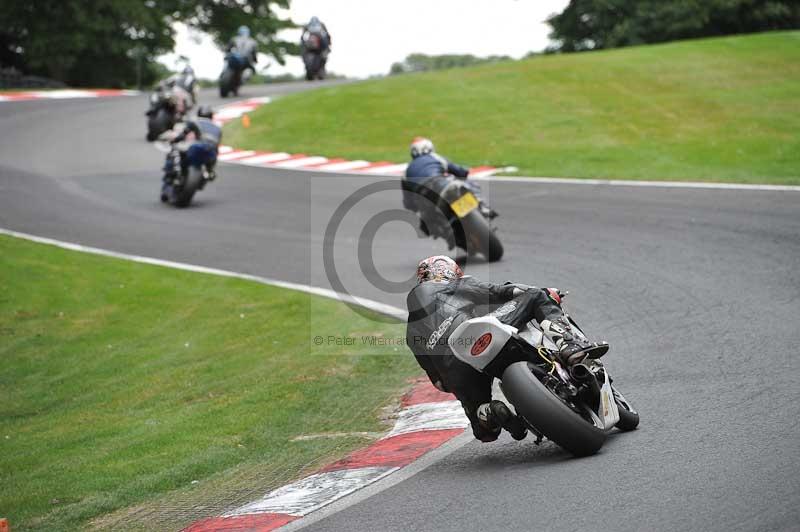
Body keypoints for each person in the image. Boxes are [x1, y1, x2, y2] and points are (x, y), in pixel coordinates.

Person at [405, 255, 609, 443]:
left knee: (484, 432)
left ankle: (490, 412)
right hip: (477, 331)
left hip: (454, 367)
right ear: (449, 271)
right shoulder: (455, 283)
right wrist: (547, 292)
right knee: (535, 296)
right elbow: (501, 292)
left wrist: (459, 383)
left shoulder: (411, 332)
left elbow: (441, 384)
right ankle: (569, 345)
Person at [402, 137, 497, 221]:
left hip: (424, 199)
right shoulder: (435, 157)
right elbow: (460, 171)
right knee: (469, 184)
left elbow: (408, 202)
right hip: (439, 183)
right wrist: (464, 171)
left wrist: (414, 207)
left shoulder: (406, 171)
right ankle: (481, 205)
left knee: (427, 223)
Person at [161, 106, 222, 202]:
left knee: (176, 151)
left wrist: (175, 140)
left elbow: (184, 134)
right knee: (210, 168)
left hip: (196, 148)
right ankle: (208, 174)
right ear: (211, 116)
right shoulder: (218, 128)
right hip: (211, 153)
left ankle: (169, 176)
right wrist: (211, 169)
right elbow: (217, 147)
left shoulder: (195, 121)